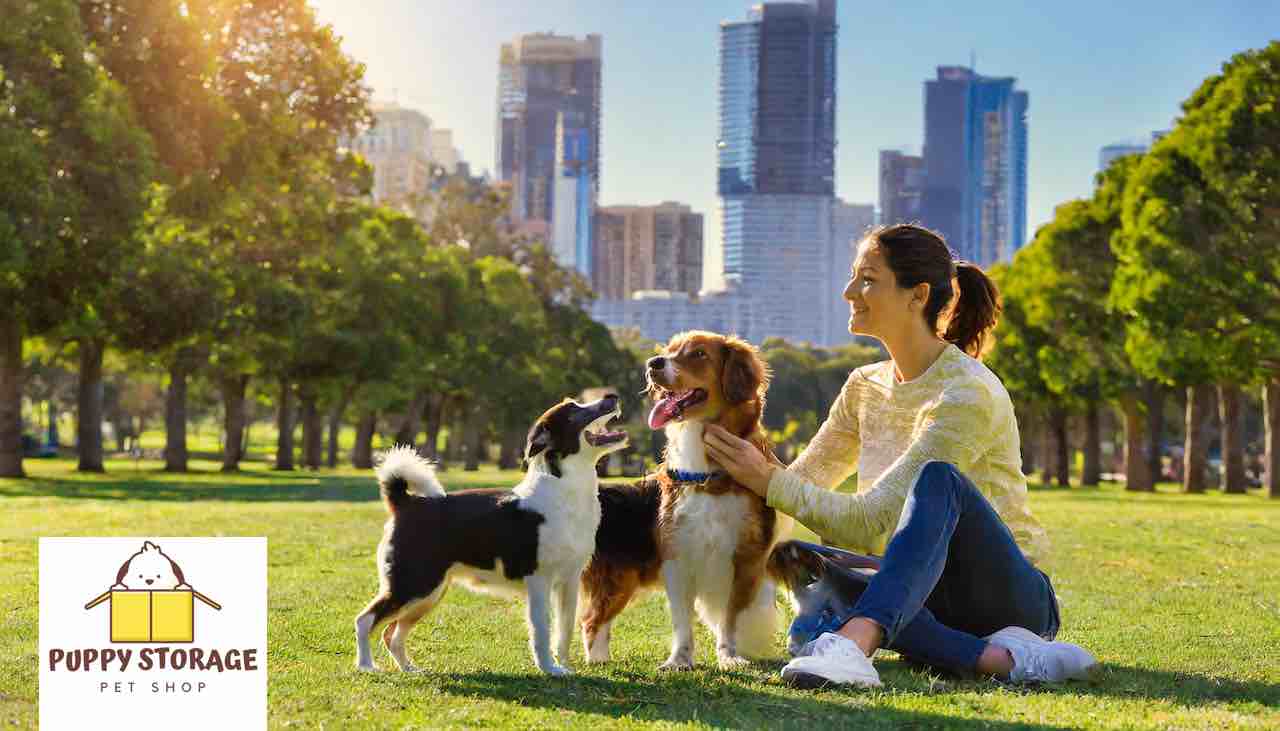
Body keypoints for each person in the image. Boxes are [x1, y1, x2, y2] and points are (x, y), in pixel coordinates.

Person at [703, 224, 1097, 689]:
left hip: (1007, 597)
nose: (850, 291)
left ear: (918, 295)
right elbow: (804, 481)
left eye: (868, 279)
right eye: (853, 277)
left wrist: (767, 480)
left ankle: (854, 642)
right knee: (797, 557)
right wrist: (738, 468)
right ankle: (1002, 660)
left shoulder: (966, 391)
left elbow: (870, 520)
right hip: (918, 591)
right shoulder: (864, 385)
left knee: (938, 480)